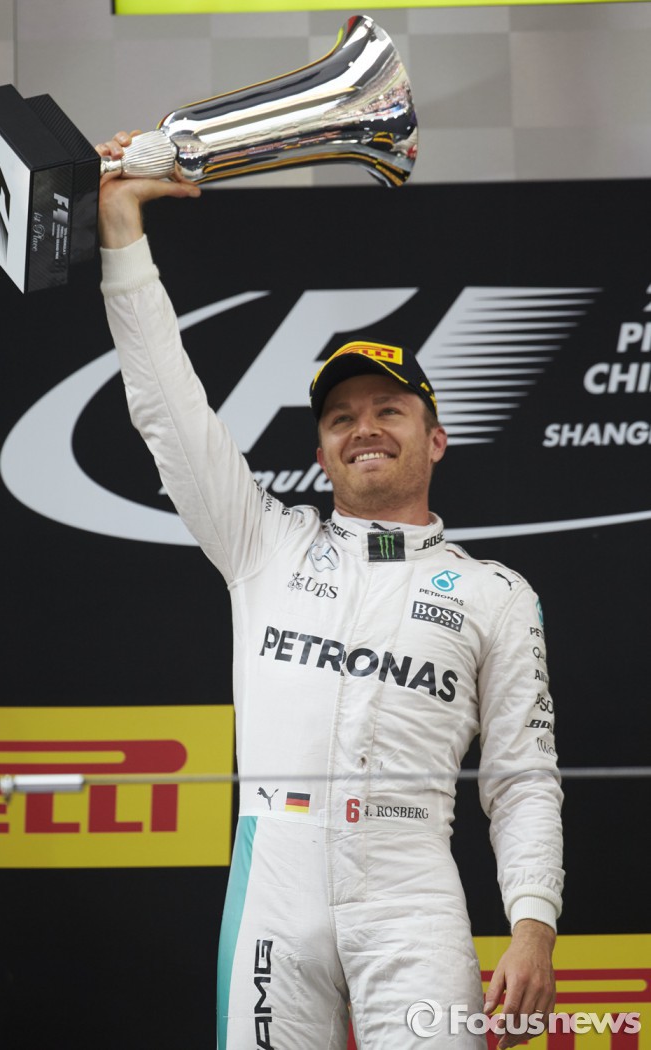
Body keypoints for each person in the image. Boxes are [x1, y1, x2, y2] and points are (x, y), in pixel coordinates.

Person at [96, 131, 564, 1050]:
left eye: (390, 410)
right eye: (342, 417)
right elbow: (167, 410)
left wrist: (534, 923)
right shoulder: (263, 543)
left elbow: (522, 778)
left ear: (435, 439)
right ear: (320, 453)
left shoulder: (497, 594)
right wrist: (121, 231)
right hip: (276, 874)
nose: (365, 428)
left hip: (411, 884)